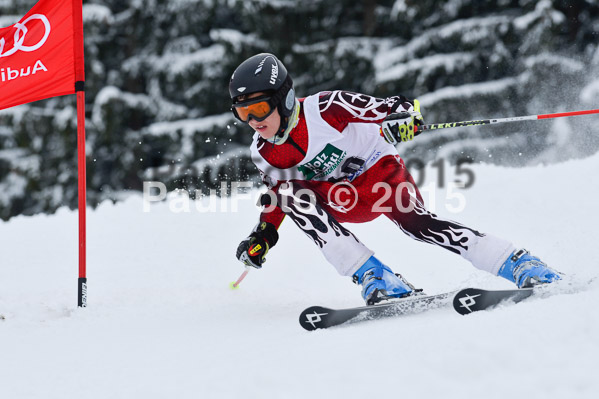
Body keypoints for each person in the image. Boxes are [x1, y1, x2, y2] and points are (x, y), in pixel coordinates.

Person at [230, 53, 561, 305]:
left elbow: (394, 106)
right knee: (288, 195)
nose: (253, 121)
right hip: (340, 199)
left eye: (258, 109)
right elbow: (278, 197)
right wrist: (265, 233)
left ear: (284, 100)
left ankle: (517, 263)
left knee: (416, 224)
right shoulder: (264, 152)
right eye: (243, 114)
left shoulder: (328, 108)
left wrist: (403, 118)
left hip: (380, 176)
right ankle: (376, 276)